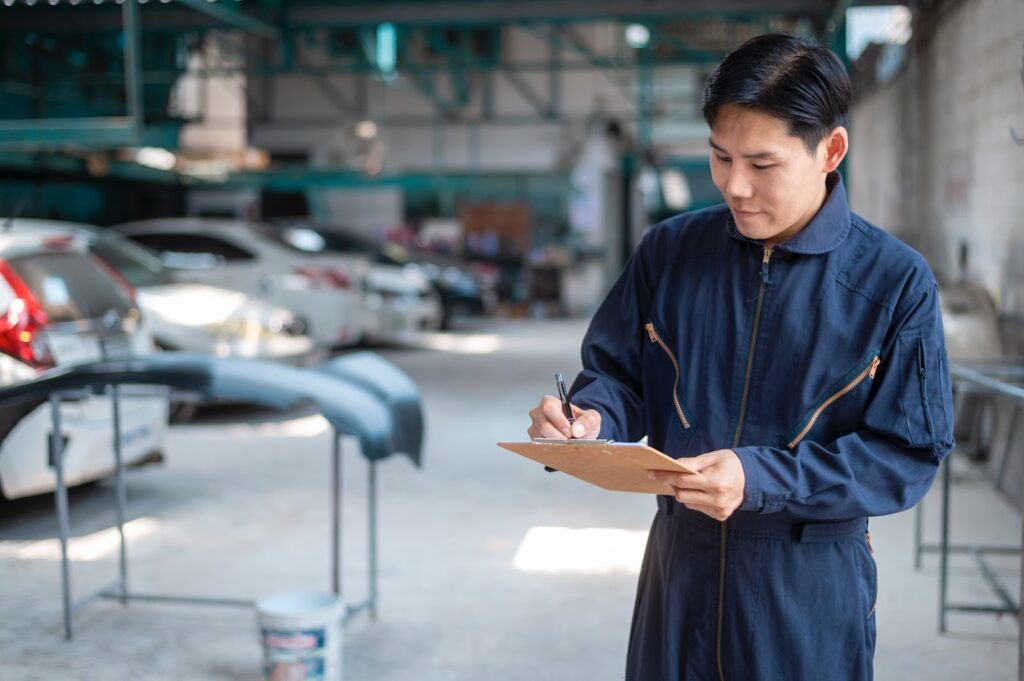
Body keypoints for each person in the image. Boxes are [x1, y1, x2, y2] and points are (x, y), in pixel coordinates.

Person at [527, 33, 953, 681]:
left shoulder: (893, 283)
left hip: (805, 589)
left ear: (831, 150)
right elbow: (618, 374)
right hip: (679, 576)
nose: (735, 185)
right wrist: (588, 419)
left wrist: (760, 478)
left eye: (762, 163)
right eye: (720, 156)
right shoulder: (670, 253)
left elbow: (907, 454)